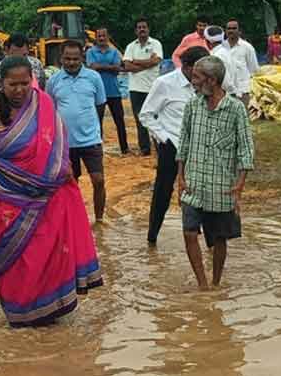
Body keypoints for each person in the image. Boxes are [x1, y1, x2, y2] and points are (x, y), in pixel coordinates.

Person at [0, 56, 103, 326]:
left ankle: (49, 313)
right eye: (12, 84)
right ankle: (19, 315)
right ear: (1, 83)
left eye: (24, 83)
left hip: (47, 200)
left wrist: (58, 178)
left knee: (47, 253)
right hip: (5, 203)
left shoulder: (45, 107)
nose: (19, 90)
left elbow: (57, 149)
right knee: (16, 261)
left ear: (33, 82)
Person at [177, 55, 254, 290]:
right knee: (189, 233)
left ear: (211, 80)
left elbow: (246, 147)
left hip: (222, 186)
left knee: (219, 238)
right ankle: (203, 286)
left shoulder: (235, 109)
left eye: (197, 77)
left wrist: (240, 184)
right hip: (193, 183)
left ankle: (216, 282)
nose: (193, 80)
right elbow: (184, 141)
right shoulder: (193, 104)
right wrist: (180, 176)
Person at [141, 46, 206, 246]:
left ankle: (207, 238)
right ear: (186, 66)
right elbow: (146, 114)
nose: (202, 76)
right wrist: (163, 139)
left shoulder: (207, 85)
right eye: (198, 71)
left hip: (199, 148)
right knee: (163, 191)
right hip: (172, 146)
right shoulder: (164, 83)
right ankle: (152, 236)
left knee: (202, 191)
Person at [47, 39, 108, 223]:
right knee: (70, 183)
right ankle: (74, 220)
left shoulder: (94, 77)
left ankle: (99, 220)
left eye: (76, 58)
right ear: (61, 58)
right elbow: (51, 110)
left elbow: (100, 105)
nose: (72, 62)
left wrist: (94, 128)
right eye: (67, 59)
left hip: (91, 140)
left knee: (98, 180)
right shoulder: (53, 81)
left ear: (82, 57)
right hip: (65, 142)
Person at [122, 18, 164, 157]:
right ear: (135, 31)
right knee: (139, 119)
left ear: (148, 29)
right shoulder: (130, 46)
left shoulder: (156, 44)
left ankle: (160, 148)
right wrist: (148, 63)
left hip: (152, 88)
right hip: (135, 88)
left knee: (155, 119)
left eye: (144, 27)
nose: (142, 29)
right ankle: (145, 149)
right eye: (139, 27)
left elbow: (157, 61)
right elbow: (127, 66)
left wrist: (136, 62)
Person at [87, 27, 129, 155]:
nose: (101, 38)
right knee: (97, 122)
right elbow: (92, 67)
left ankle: (124, 148)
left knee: (120, 121)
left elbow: (118, 68)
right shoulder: (90, 51)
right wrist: (110, 67)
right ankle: (97, 148)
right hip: (97, 92)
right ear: (96, 37)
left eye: (103, 36)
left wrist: (101, 66)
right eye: (99, 36)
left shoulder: (114, 52)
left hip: (114, 92)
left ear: (108, 37)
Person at [212, 19, 259, 108]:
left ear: (239, 31)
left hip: (242, 91)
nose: (231, 31)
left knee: (242, 119)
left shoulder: (247, 48)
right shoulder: (220, 48)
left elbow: (254, 70)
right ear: (225, 31)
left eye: (234, 28)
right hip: (224, 91)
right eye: (229, 28)